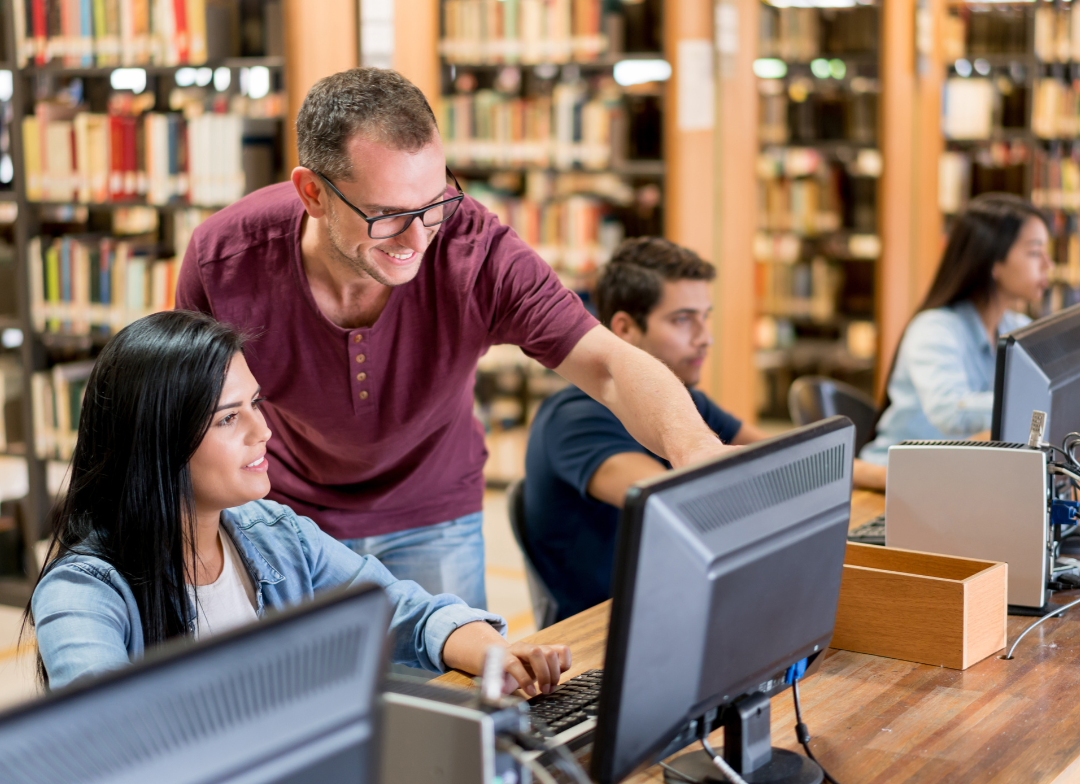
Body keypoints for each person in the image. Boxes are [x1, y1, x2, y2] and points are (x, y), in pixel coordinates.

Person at [175, 67, 732, 610]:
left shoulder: (477, 250)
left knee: (455, 672)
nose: (418, 241)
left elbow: (608, 364)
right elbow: (188, 415)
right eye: (386, 215)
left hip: (435, 513)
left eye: (434, 203)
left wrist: (696, 451)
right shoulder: (223, 259)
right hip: (287, 515)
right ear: (314, 193)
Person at [27, 311, 570, 694]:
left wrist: (495, 653)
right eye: (229, 418)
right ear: (157, 440)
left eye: (256, 403)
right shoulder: (83, 591)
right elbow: (100, 738)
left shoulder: (273, 533)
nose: (263, 431)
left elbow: (404, 611)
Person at [523, 237, 888, 622]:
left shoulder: (682, 403)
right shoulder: (575, 418)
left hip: (692, 598)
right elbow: (681, 506)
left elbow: (783, 452)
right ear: (625, 328)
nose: (704, 338)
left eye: (705, 317)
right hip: (610, 626)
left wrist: (892, 477)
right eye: (682, 319)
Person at [860, 193, 1052, 464]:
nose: (1048, 265)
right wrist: (1030, 406)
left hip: (956, 469)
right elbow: (950, 411)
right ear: (993, 260)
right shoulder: (933, 330)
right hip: (896, 474)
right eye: (1034, 252)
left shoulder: (1016, 327)